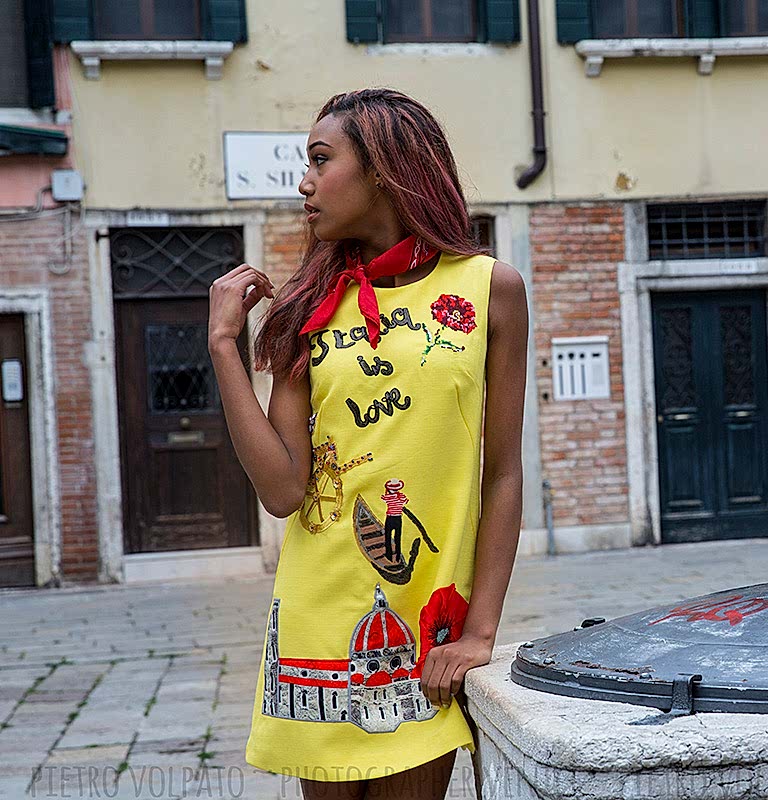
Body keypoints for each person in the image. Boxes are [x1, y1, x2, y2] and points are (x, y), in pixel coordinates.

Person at [207, 87, 529, 800]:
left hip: (425, 630)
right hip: (318, 622)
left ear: (383, 168)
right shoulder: (307, 308)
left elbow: (503, 475)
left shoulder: (489, 289)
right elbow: (283, 491)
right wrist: (225, 346)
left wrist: (479, 633)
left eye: (321, 161)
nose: (304, 182)